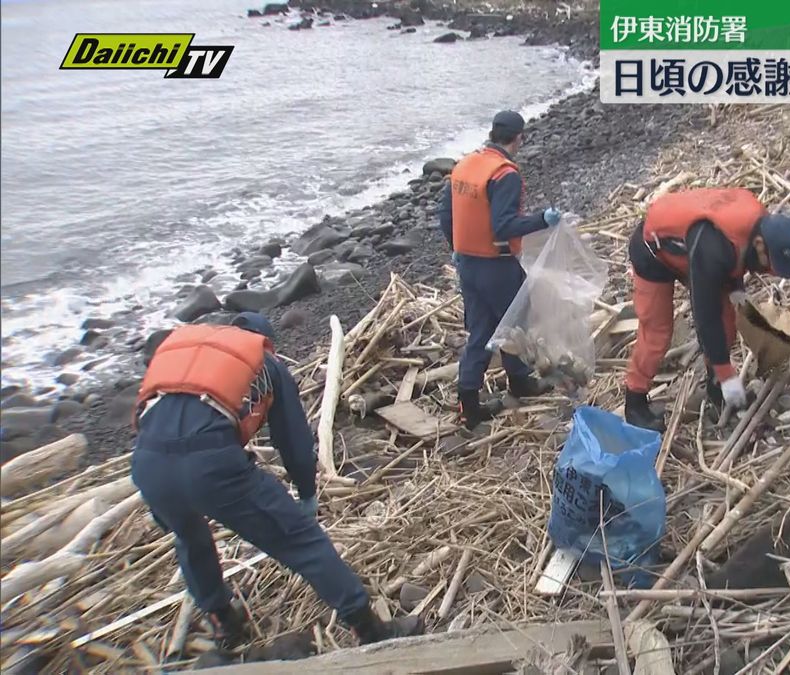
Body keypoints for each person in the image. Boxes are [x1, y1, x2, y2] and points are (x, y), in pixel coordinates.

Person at [130, 312, 421, 650]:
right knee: (303, 541)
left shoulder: (187, 349)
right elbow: (293, 441)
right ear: (264, 341)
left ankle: (224, 623)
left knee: (189, 537)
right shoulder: (265, 363)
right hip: (210, 464)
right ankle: (368, 627)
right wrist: (307, 494)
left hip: (147, 463)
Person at [623, 187, 790, 432]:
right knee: (657, 331)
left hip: (691, 251)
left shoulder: (755, 228)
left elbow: (739, 259)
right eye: (770, 264)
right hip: (653, 253)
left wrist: (736, 287)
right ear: (760, 244)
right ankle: (634, 401)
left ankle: (715, 388)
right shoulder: (715, 247)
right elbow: (704, 315)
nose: (768, 271)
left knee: (727, 320)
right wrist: (727, 373)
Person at [437, 110, 560, 429]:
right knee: (515, 321)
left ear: (492, 134)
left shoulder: (466, 165)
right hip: (497, 264)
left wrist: (456, 249)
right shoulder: (505, 174)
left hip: (469, 265)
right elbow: (503, 226)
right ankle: (519, 381)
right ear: (518, 138)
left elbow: (445, 213)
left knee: (481, 330)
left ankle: (469, 404)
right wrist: (541, 221)